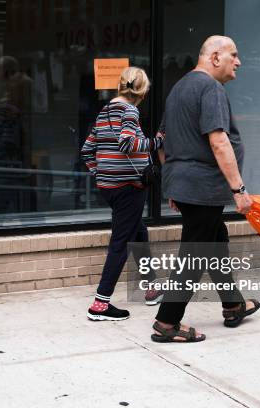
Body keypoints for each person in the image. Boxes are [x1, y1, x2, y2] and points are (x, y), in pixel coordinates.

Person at [153, 36, 260, 342]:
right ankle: (167, 323)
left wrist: (174, 183)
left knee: (215, 244)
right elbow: (218, 141)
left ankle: (233, 304)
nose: (238, 62)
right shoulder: (210, 88)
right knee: (196, 255)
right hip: (202, 188)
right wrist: (239, 189)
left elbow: (162, 140)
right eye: (234, 55)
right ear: (215, 57)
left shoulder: (179, 88)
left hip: (190, 187)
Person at [81, 67, 164, 321]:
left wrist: (101, 175)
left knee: (138, 231)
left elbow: (86, 150)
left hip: (109, 188)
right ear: (142, 90)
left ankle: (151, 287)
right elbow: (128, 142)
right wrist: (156, 142)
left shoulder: (104, 111)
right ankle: (101, 304)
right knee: (120, 243)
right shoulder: (130, 110)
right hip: (129, 188)